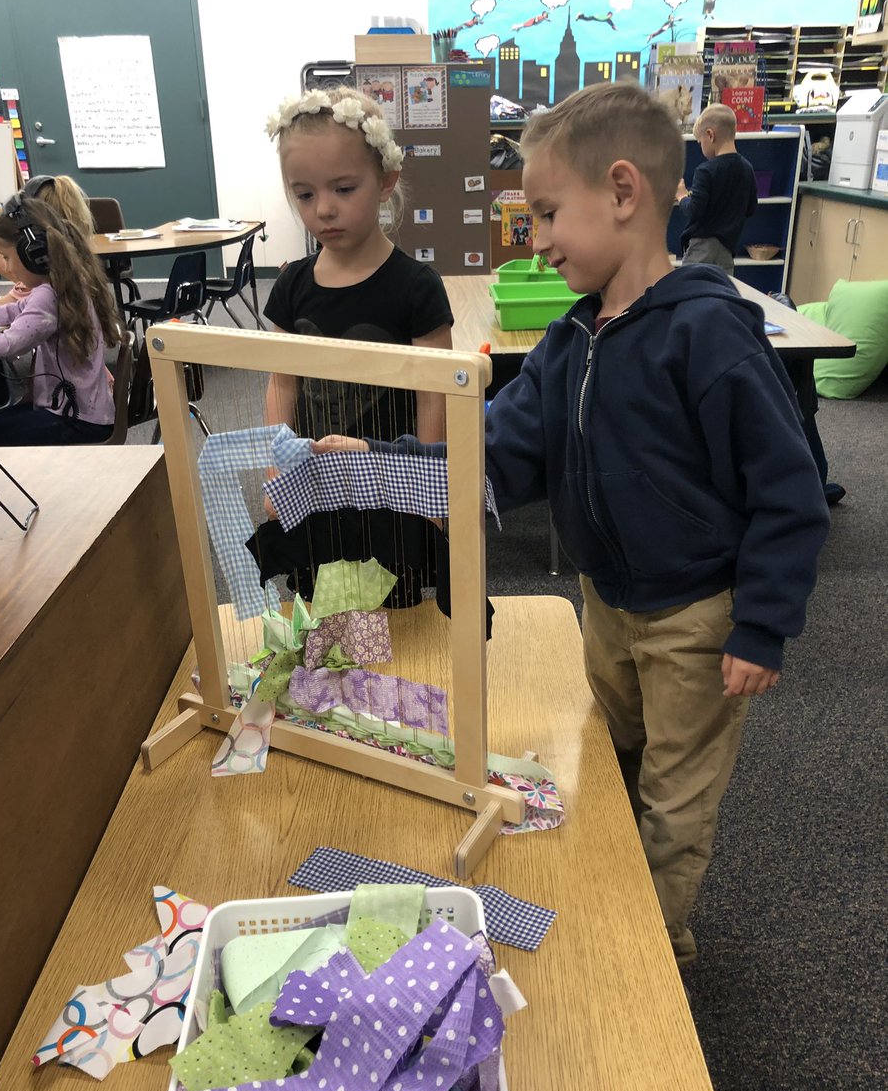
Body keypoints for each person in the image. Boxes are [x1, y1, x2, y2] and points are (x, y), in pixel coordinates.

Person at [316, 83, 830, 966]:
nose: (538, 240)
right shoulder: (567, 343)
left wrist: (763, 626)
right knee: (621, 752)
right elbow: (498, 457)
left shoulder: (710, 335)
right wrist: (387, 467)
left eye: (548, 214)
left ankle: (654, 946)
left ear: (624, 193)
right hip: (607, 603)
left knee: (678, 791)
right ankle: (626, 877)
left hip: (698, 618)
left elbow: (791, 492)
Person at [263, 85, 453, 443]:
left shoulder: (417, 287)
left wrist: (422, 485)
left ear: (385, 181)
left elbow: (434, 397)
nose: (323, 210)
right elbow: (282, 384)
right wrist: (278, 473)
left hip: (391, 485)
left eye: (344, 189)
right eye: (304, 194)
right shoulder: (291, 286)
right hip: (315, 481)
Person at [0, 195, 120, 444]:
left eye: (6, 258)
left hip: (75, 420)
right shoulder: (66, 283)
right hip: (86, 413)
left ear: (32, 254)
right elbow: (15, 310)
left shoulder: (49, 295)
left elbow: (8, 345)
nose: (6, 267)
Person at [0, 174, 94, 307]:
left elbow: (3, 306)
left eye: (7, 257)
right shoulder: (79, 270)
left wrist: (3, 267)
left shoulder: (46, 291)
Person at [676, 102, 758, 274]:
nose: (701, 148)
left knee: (691, 294)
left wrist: (682, 196)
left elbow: (694, 210)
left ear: (710, 135)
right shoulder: (747, 168)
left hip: (700, 251)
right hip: (727, 250)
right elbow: (750, 209)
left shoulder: (705, 170)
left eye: (700, 142)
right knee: (719, 295)